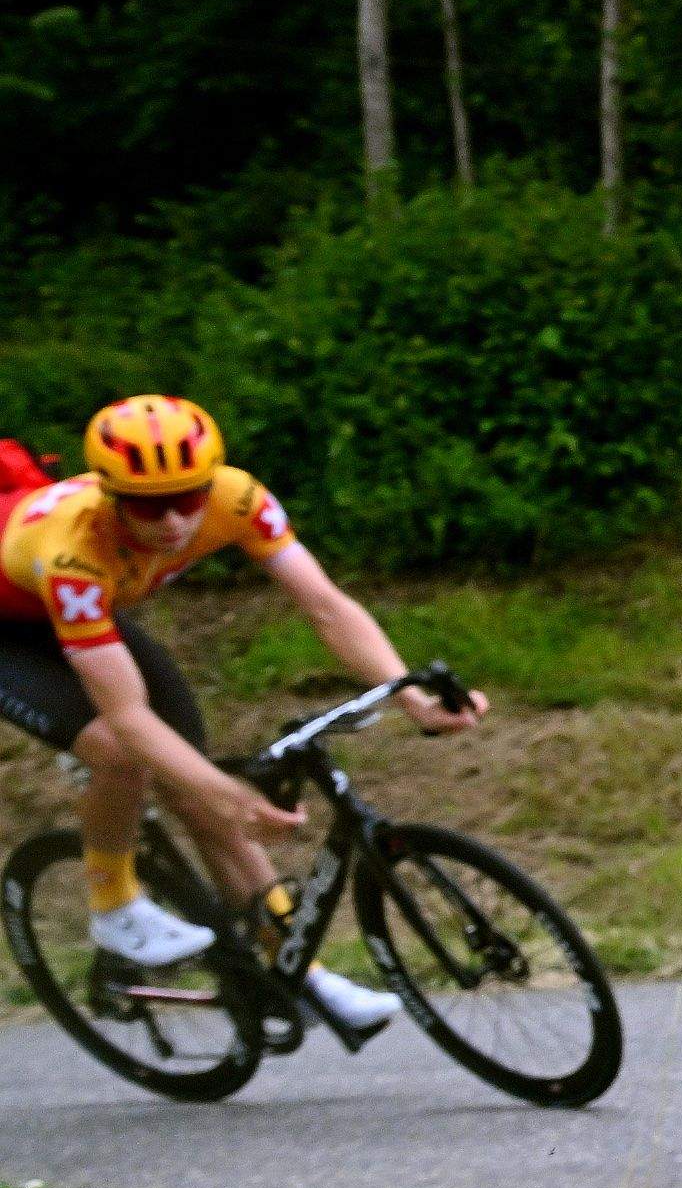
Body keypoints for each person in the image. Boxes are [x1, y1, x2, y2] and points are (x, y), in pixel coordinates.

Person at [0, 395, 482, 1037]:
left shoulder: (238, 498)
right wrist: (227, 794)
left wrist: (407, 694)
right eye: (148, 505)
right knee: (124, 753)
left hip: (88, 616)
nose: (173, 520)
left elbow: (325, 605)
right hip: (11, 628)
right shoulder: (73, 550)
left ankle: (297, 971)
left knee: (202, 793)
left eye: (188, 497)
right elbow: (128, 716)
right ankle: (114, 904)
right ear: (110, 496)